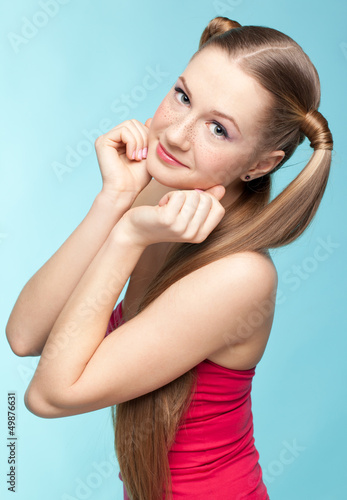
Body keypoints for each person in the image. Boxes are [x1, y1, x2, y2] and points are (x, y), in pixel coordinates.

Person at [6, 16, 333, 500]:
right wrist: (115, 200)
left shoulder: (240, 276)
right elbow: (24, 335)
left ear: (262, 166)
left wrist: (127, 237)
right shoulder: (156, 198)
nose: (177, 134)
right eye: (183, 96)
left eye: (218, 129)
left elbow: (49, 395)